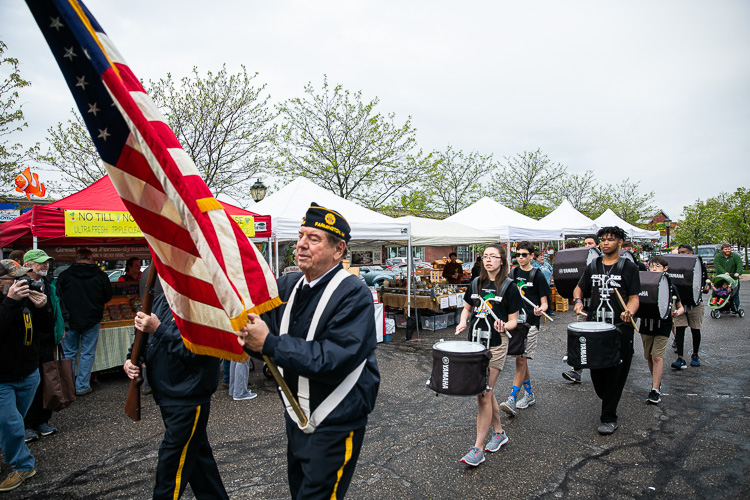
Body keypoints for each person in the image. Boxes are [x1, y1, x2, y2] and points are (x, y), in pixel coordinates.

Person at [238, 203, 380, 499]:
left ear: (338, 250)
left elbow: (333, 358)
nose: (301, 244)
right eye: (300, 236)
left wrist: (269, 344)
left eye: (313, 238)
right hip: (297, 417)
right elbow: (264, 339)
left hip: (336, 423)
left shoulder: (354, 293)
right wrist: (249, 338)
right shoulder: (288, 285)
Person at [124, 269, 228, 500]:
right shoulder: (160, 300)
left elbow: (200, 353)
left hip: (188, 398)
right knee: (200, 464)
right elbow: (142, 338)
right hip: (168, 395)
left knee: (170, 471)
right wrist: (132, 360)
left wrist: (158, 329)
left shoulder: (204, 306)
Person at [455, 243, 521, 466]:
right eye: (485, 256)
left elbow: (514, 319)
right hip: (475, 344)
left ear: (502, 260)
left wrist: (506, 326)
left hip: (495, 344)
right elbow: (467, 308)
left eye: (494, 256)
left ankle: (478, 448)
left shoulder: (509, 287)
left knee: (482, 393)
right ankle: (499, 433)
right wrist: (463, 322)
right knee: (487, 391)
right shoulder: (476, 283)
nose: (489, 260)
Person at [572, 226, 640, 435]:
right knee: (598, 375)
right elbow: (579, 287)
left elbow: (635, 297)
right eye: (603, 239)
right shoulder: (593, 265)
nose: (605, 243)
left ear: (620, 242)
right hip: (595, 329)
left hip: (620, 329)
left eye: (610, 239)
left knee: (617, 374)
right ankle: (608, 399)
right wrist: (577, 301)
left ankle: (609, 417)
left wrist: (629, 311)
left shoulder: (629, 267)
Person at [0, 260, 52, 492]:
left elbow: (45, 329)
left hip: (29, 373)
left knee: (13, 423)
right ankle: (23, 465)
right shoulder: (10, 301)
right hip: (3, 378)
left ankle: (14, 451)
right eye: (15, 279)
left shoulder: (26, 299)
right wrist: (10, 301)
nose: (23, 282)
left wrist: (43, 308)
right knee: (10, 423)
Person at [500, 242, 550, 416]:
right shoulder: (512, 273)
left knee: (520, 359)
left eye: (524, 254)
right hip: (516, 321)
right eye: (518, 254)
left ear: (531, 256)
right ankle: (529, 394)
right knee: (521, 358)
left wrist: (541, 309)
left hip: (530, 323)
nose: (520, 257)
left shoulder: (537, 275)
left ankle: (512, 397)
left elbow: (544, 302)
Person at [58, 248, 113, 396]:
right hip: (92, 318)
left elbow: (58, 296)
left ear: (76, 258)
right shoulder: (101, 276)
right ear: (91, 258)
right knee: (87, 353)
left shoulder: (65, 276)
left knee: (69, 353)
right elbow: (108, 295)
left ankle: (68, 387)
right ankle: (82, 386)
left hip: (69, 320)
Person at [22, 250, 63, 443]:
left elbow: (57, 310)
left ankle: (42, 420)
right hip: (28, 344)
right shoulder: (20, 285)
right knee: (30, 383)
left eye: (46, 262)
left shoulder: (49, 284)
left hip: (47, 341)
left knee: (46, 381)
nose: (45, 265)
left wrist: (62, 329)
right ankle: (27, 424)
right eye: (40, 263)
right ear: (28, 264)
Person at [639, 256, 684, 404]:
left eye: (657, 266)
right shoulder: (643, 283)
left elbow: (680, 307)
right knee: (649, 357)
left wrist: (677, 312)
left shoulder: (671, 286)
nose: (653, 269)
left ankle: (655, 389)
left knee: (657, 357)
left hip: (663, 325)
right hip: (646, 324)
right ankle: (656, 381)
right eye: (651, 266)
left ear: (665, 269)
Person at [563, 234, 599, 383]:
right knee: (580, 336)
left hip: (600, 307)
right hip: (585, 306)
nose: (587, 246)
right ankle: (576, 371)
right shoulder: (583, 263)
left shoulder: (600, 263)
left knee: (598, 338)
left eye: (590, 243)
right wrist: (577, 301)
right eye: (585, 243)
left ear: (597, 245)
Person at [671, 244, 709, 369]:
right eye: (680, 252)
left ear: (691, 252)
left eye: (685, 252)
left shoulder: (699, 265)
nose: (682, 254)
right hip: (680, 304)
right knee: (680, 330)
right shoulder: (675, 266)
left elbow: (704, 283)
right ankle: (680, 358)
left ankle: (695, 354)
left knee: (695, 329)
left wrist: (705, 288)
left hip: (695, 304)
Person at [713, 243, 743, 310]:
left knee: (734, 294)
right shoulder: (718, 256)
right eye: (726, 249)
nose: (727, 250)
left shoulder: (735, 256)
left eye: (729, 249)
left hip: (733, 278)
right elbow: (717, 265)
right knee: (718, 292)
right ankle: (719, 306)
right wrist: (724, 272)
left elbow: (739, 264)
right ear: (722, 250)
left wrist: (738, 272)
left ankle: (735, 308)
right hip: (721, 278)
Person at [531, 251, 554, 316]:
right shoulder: (534, 265)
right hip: (538, 285)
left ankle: (549, 310)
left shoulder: (547, 264)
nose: (542, 258)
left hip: (547, 283)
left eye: (542, 256)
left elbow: (552, 271)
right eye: (540, 257)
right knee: (541, 298)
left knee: (548, 298)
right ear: (536, 258)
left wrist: (551, 278)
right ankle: (540, 310)